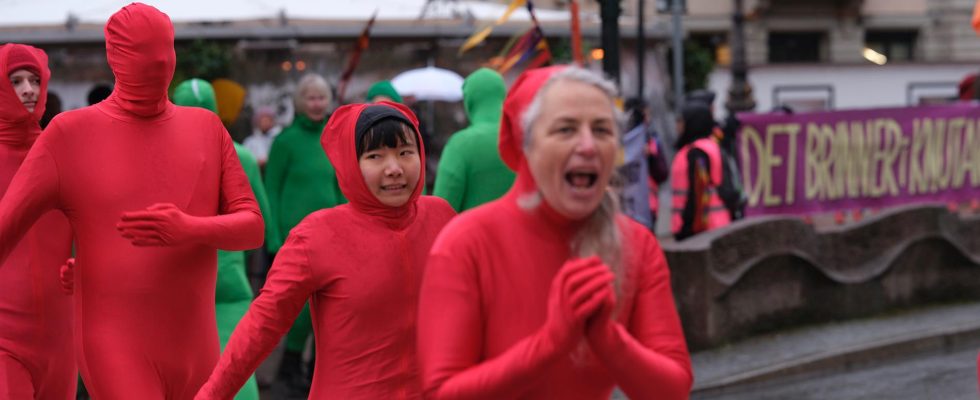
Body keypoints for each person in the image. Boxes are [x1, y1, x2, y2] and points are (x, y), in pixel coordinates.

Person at [0, 4, 264, 397]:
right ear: (114, 58)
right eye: (142, 51)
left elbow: (253, 229)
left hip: (196, 343)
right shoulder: (70, 135)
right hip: (115, 343)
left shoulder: (206, 128)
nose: (158, 61)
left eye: (165, 49)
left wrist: (188, 228)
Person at [417, 65, 692, 399]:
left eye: (602, 130)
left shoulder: (635, 244)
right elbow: (441, 393)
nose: (588, 146)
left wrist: (607, 337)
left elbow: (674, 388)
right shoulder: (466, 242)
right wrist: (550, 343)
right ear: (526, 143)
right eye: (566, 129)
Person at [195, 102, 456, 399]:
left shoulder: (441, 217)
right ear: (349, 163)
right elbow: (261, 327)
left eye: (405, 152)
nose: (394, 168)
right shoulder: (317, 236)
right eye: (375, 156)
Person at [172, 78, 275, 400]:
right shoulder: (241, 155)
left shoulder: (160, 158)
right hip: (229, 283)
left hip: (175, 285)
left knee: (181, 378)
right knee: (236, 376)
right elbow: (264, 222)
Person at [0, 43, 75, 400]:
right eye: (16, 81)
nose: (29, 89)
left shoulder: (62, 153)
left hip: (62, 332)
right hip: (4, 334)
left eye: (34, 79)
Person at [263, 72, 344, 393]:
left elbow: (341, 187)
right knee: (296, 309)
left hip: (331, 235)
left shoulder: (333, 138)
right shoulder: (285, 142)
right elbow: (269, 190)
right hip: (292, 237)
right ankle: (289, 368)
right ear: (300, 102)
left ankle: (313, 372)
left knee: (326, 304)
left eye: (321, 97)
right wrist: (272, 237)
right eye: (310, 98)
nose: (317, 103)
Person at [433, 68, 515, 212]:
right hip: (523, 233)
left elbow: (442, 207)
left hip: (473, 234)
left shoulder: (460, 144)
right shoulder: (526, 138)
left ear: (469, 101)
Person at [670, 102, 732, 240]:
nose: (678, 126)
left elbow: (698, 194)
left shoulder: (697, 153)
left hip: (703, 230)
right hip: (716, 226)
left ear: (692, 123)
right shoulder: (709, 146)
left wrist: (687, 229)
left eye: (681, 121)